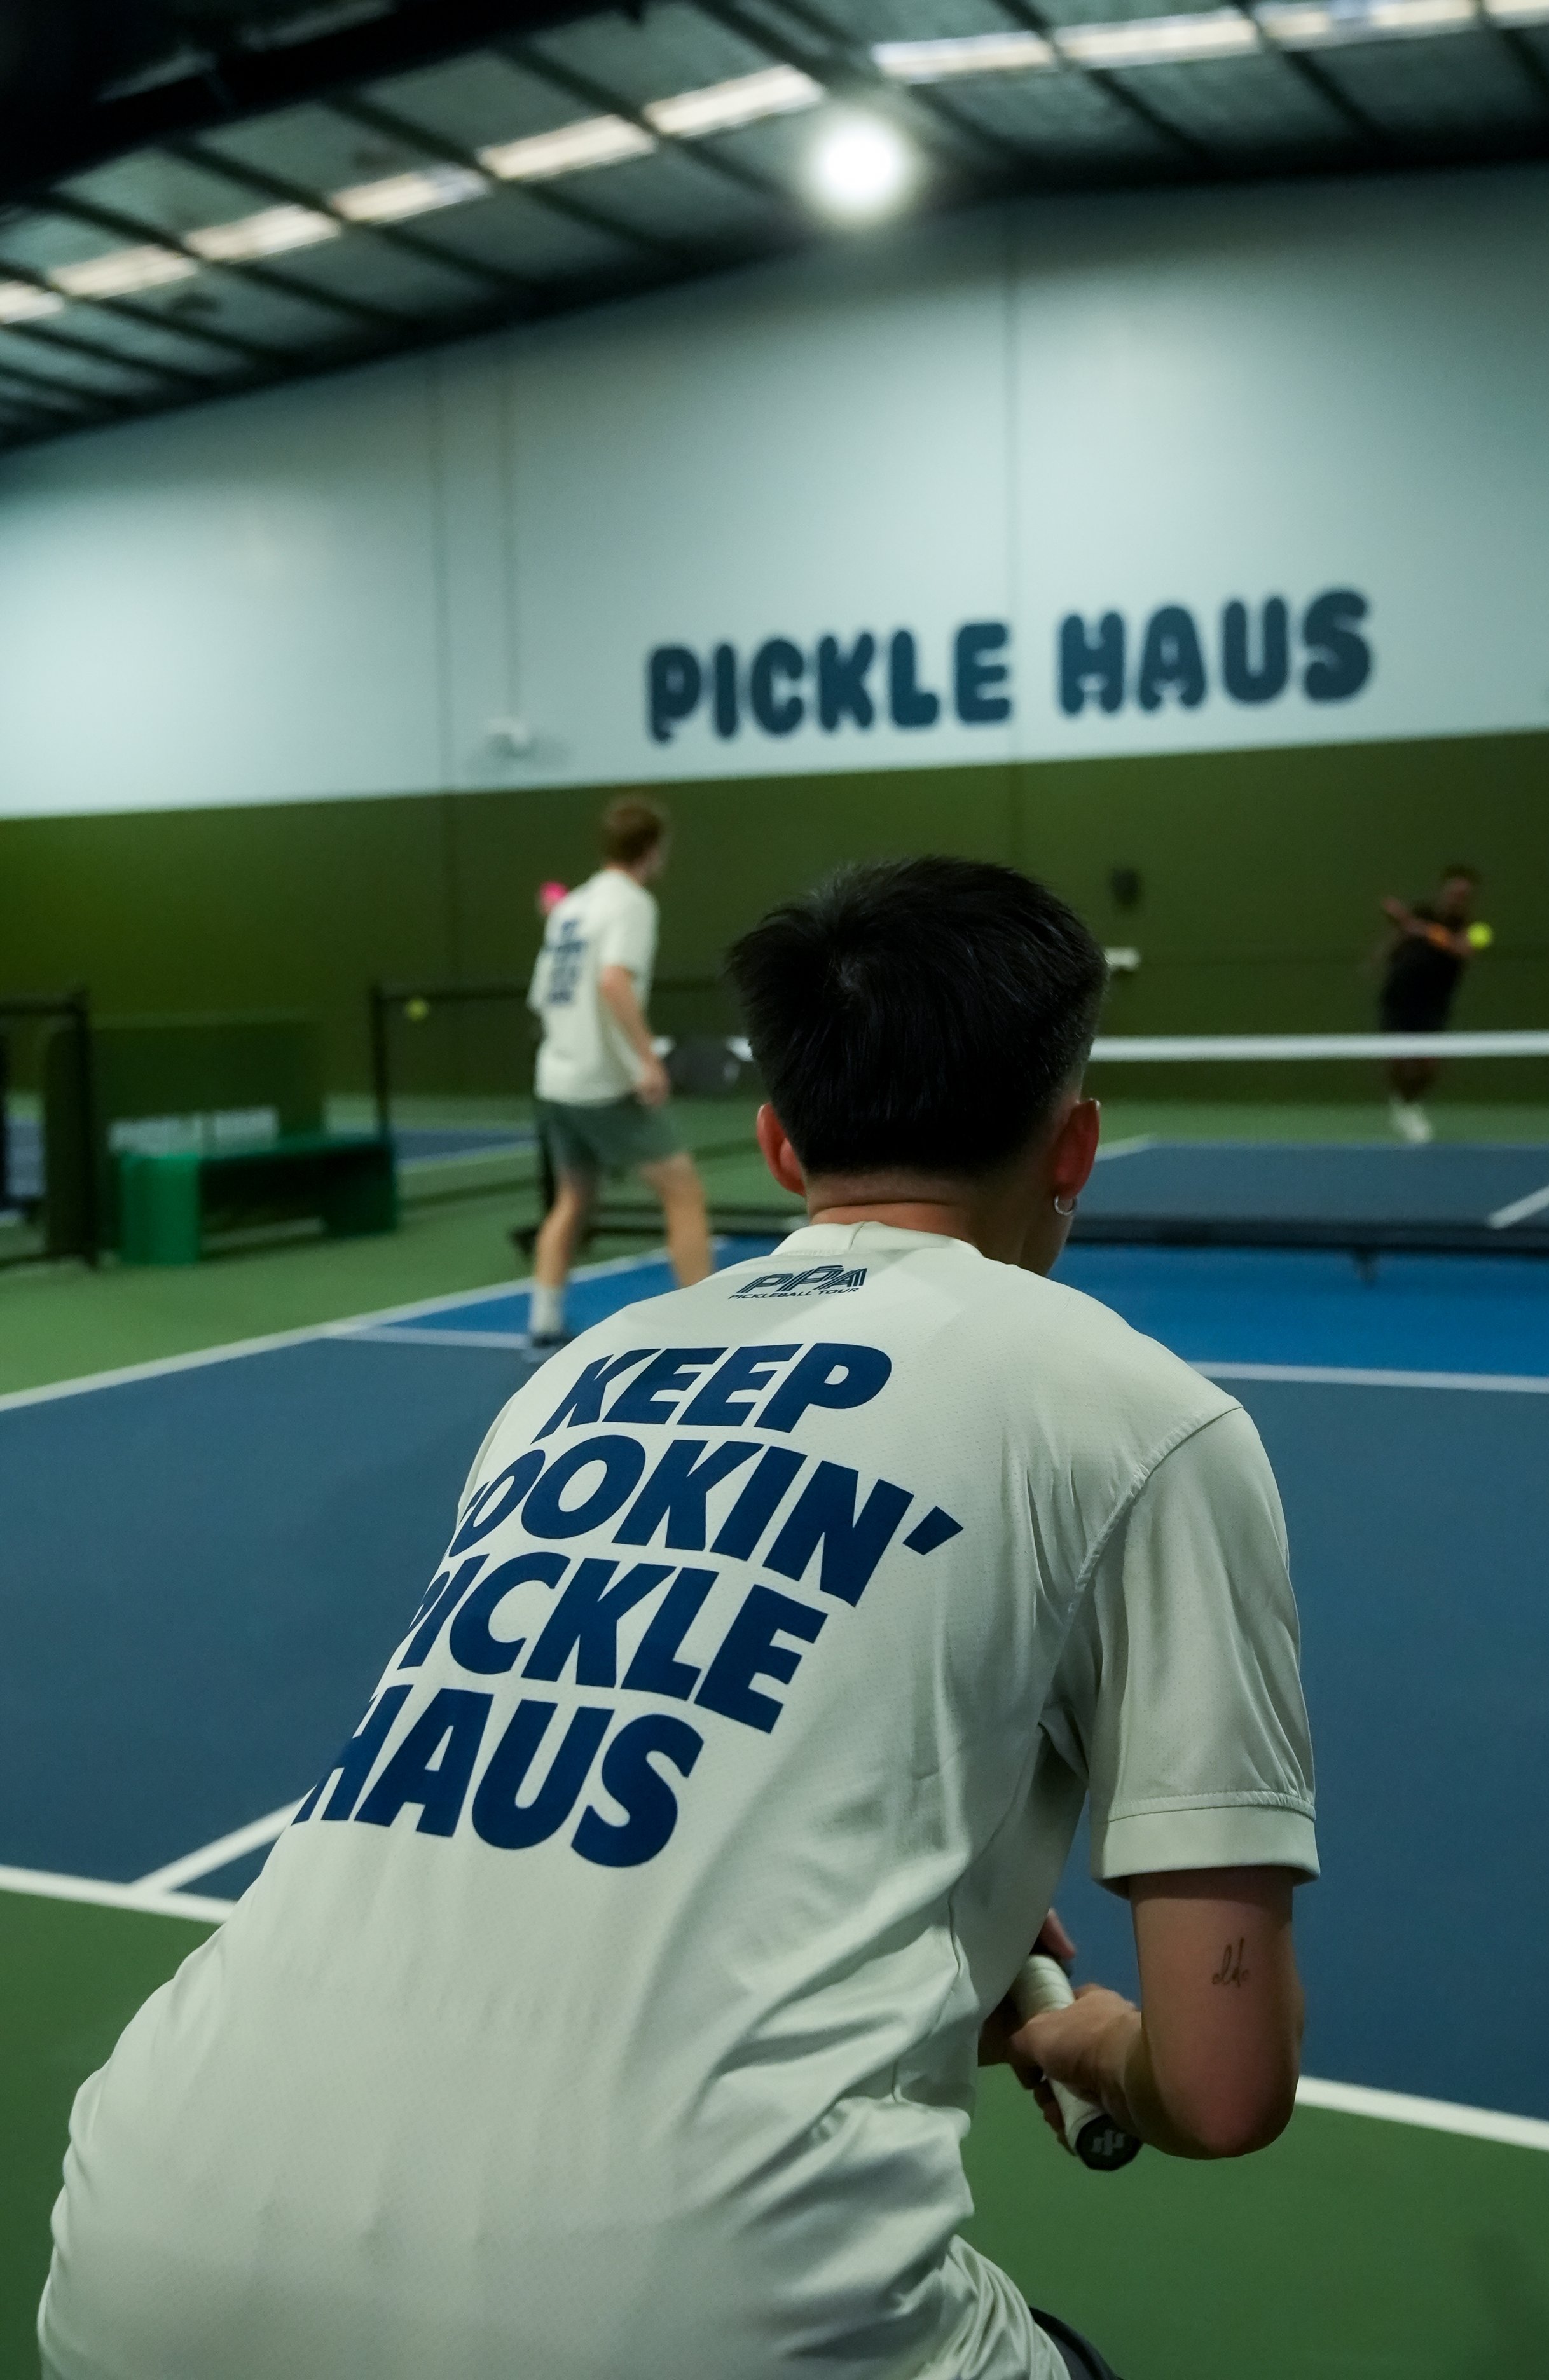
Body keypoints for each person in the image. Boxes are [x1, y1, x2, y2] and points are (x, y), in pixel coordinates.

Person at [39, 857, 1315, 2380]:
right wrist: (1075, 2031)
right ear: (1075, 1147)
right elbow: (1222, 2086)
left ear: (778, 1143)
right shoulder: (1149, 1418)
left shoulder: (571, 1379)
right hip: (690, 2302)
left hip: (140, 2239)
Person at [520, 795, 711, 1357]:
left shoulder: (571, 907)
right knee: (683, 1191)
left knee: (573, 1199)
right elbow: (613, 981)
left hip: (556, 1079)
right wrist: (647, 1061)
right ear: (653, 850)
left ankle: (544, 1322)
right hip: (604, 1082)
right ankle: (707, 1326)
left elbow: (543, 995)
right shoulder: (632, 904)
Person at [1377, 864, 1488, 1142]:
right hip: (1400, 996)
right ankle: (1405, 1107)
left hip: (1434, 1004)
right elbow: (1400, 936)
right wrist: (1381, 955)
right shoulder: (1422, 914)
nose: (1457, 899)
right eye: (1454, 892)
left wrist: (1420, 929)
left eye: (1464, 895)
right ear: (1443, 891)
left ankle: (1409, 1102)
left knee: (1429, 1065)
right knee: (1401, 1059)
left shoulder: (1475, 929)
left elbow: (1461, 949)